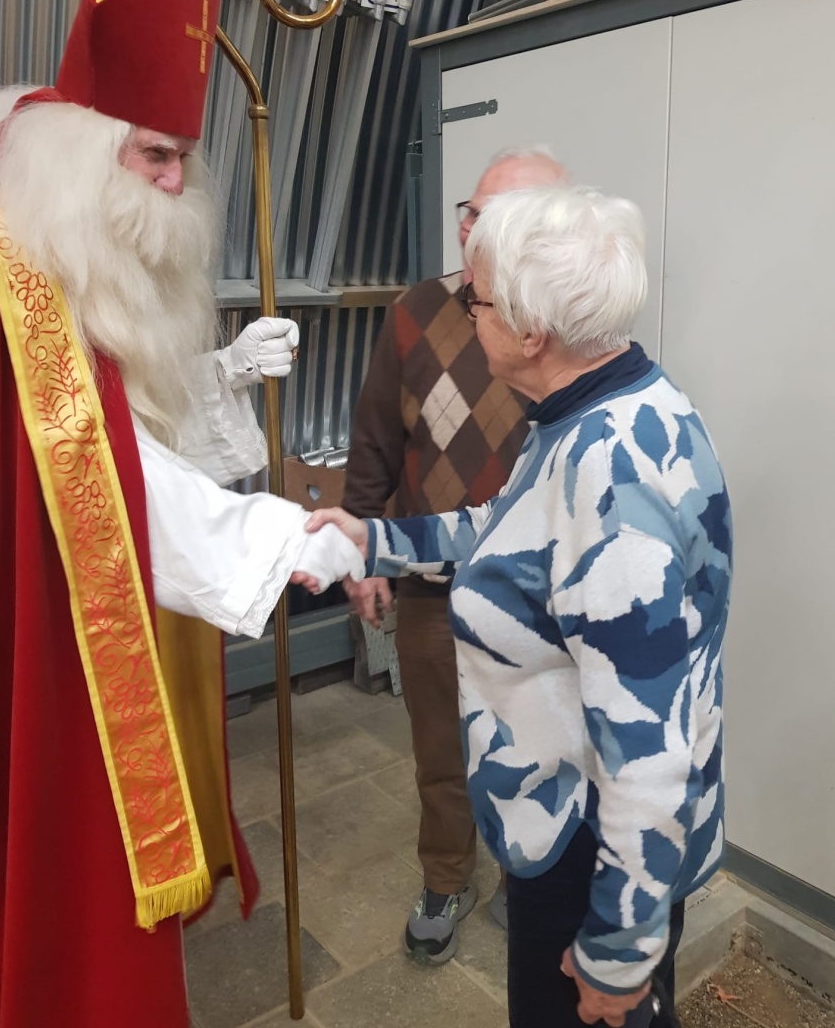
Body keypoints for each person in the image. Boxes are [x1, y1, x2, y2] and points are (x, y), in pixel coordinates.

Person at [0, 0, 362, 1028]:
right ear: (82, 152)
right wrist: (285, 539)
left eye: (184, 155)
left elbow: (109, 417)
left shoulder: (57, 239)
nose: (177, 185)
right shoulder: (9, 277)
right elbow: (85, 476)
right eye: (152, 154)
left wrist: (220, 373)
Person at [296, 183, 732, 1028]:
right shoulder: (605, 407)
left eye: (478, 301)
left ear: (532, 333)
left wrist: (617, 954)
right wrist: (373, 540)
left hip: (587, 846)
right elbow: (512, 526)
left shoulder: (610, 479)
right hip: (581, 826)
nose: (467, 316)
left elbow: (647, 752)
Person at [341, 147, 570, 963]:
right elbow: (374, 439)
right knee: (440, 748)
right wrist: (364, 548)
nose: (470, 230)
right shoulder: (415, 312)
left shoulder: (572, 320)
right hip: (433, 587)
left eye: (492, 219)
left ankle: (523, 877)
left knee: (536, 744)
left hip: (538, 595)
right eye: (468, 213)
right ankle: (445, 877)